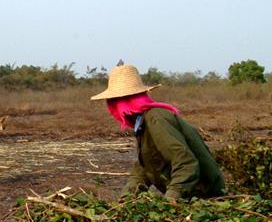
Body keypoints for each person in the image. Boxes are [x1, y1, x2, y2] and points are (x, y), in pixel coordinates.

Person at [91, 62, 225, 201]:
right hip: (191, 195)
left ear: (121, 100)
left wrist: (172, 198)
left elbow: (185, 162)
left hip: (202, 196)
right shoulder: (143, 121)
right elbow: (145, 166)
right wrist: (127, 197)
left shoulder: (156, 118)